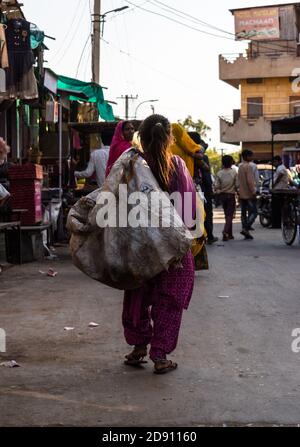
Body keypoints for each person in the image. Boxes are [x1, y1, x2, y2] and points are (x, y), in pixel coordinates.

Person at [123, 114, 195, 374]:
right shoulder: (177, 165)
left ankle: (138, 347)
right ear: (170, 138)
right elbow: (188, 213)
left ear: (140, 137)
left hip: (139, 244)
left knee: (137, 295)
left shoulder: (133, 166)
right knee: (170, 299)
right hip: (172, 246)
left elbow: (120, 205)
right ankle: (160, 355)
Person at [187, 131, 218, 245]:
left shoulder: (183, 153)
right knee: (206, 213)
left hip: (186, 189)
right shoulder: (201, 156)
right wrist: (210, 192)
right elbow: (206, 174)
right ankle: (208, 235)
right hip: (201, 190)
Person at [214, 155, 238, 241]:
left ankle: (230, 234)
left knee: (227, 215)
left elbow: (216, 186)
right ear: (231, 163)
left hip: (222, 196)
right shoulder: (234, 172)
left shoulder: (219, 173)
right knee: (230, 215)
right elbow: (237, 185)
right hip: (231, 195)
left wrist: (219, 191)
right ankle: (225, 231)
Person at [238, 149, 257, 240]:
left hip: (242, 193)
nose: (252, 158)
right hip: (248, 193)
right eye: (250, 156)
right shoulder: (248, 167)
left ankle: (245, 230)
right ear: (246, 157)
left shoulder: (240, 166)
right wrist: (253, 191)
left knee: (243, 213)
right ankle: (246, 228)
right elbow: (250, 181)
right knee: (254, 212)